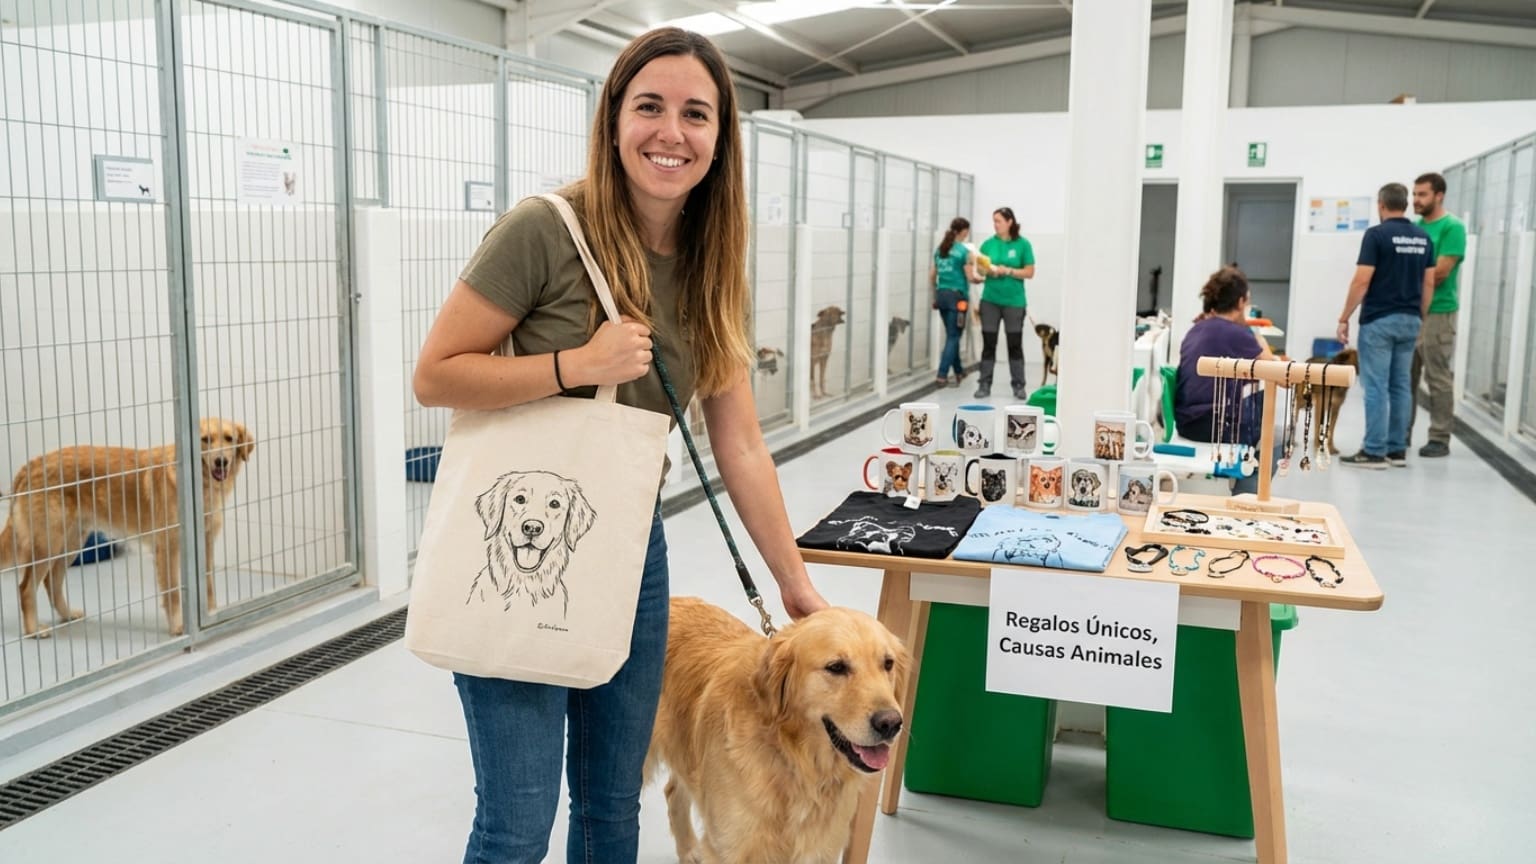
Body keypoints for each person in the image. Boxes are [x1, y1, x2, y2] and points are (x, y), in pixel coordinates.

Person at [411, 28, 829, 864]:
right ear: (612, 121)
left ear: (720, 138)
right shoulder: (544, 229)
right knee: (518, 822)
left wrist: (795, 586)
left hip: (633, 553)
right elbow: (436, 374)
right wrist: (576, 365)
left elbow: (739, 442)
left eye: (695, 114)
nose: (671, 132)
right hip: (518, 561)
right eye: (649, 107)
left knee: (612, 806)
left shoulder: (715, 264)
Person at [1336, 182, 1435, 469]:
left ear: (1381, 205)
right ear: (1404, 204)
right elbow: (1428, 282)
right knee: (1401, 385)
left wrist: (1344, 317)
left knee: (1376, 386)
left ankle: (1374, 451)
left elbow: (1362, 280)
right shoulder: (1423, 238)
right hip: (1410, 319)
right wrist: (1420, 316)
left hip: (1379, 320)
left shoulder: (1376, 235)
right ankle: (1397, 450)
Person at [1174, 266, 1275, 496]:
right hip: (1214, 427)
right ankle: (1246, 496)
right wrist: (1255, 332)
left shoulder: (1195, 329)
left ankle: (1240, 488)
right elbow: (1277, 372)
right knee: (1277, 436)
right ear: (1241, 302)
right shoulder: (1237, 334)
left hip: (1187, 423)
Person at [1408, 172, 1466, 458]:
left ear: (1439, 195)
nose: (1415, 200)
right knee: (1406, 376)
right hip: (1412, 313)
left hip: (1439, 312)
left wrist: (1406, 280)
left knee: (1437, 376)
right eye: (1414, 194)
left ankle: (1439, 437)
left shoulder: (1452, 227)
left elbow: (1440, 273)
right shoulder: (1415, 227)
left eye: (1422, 194)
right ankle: (1399, 435)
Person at [974, 206, 1035, 399]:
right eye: (994, 221)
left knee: (1014, 344)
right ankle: (984, 384)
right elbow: (980, 272)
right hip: (990, 300)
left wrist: (1008, 271)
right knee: (989, 343)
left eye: (999, 221)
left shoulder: (1022, 245)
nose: (995, 225)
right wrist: (985, 270)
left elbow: (1029, 271)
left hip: (1014, 302)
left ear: (1010, 222)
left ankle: (1019, 385)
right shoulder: (987, 245)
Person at [930, 216, 981, 387]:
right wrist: (981, 278)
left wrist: (934, 297)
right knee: (953, 336)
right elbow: (970, 277)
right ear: (964, 232)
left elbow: (932, 276)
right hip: (957, 298)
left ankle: (959, 371)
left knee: (952, 333)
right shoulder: (962, 252)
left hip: (942, 295)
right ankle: (942, 374)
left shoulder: (940, 250)